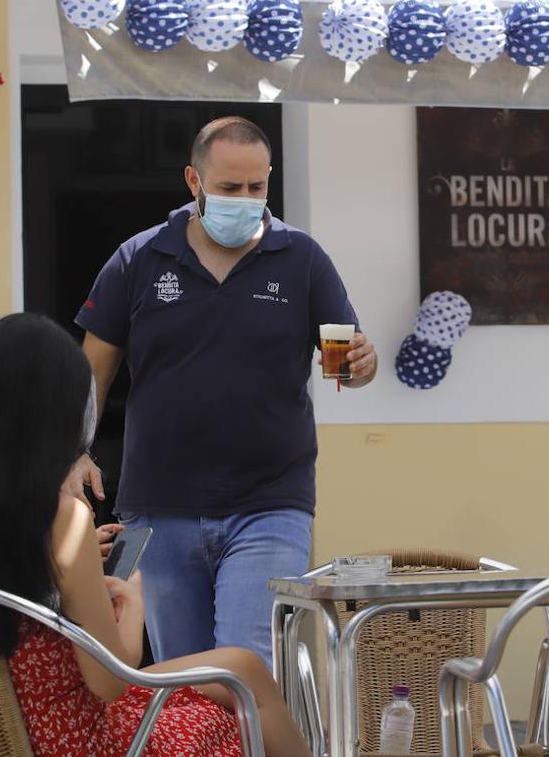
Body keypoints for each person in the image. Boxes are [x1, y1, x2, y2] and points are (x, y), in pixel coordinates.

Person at [0, 313, 311, 756]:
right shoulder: (63, 516)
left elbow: (12, 595)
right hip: (82, 737)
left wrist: (71, 566)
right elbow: (110, 681)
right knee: (243, 687)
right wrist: (133, 599)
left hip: (5, 729)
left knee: (242, 665)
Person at [63, 116, 377, 668]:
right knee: (184, 680)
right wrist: (75, 449)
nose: (246, 199)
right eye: (230, 188)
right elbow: (92, 371)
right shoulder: (138, 259)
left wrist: (361, 365)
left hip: (270, 504)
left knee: (245, 665)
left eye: (257, 187)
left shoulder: (302, 259)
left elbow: (346, 366)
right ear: (194, 181)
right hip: (159, 508)